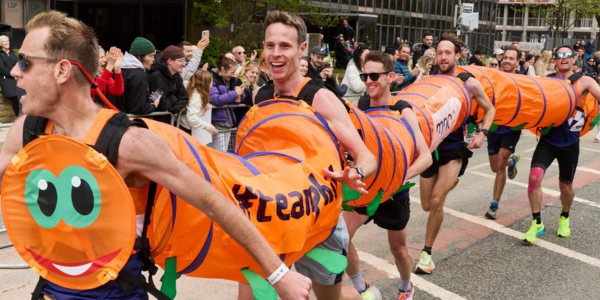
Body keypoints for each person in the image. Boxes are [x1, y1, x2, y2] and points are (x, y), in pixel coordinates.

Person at [2, 10, 312, 300]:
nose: (14, 71)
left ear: (61, 70)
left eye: (25, 62)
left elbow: (215, 202)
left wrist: (279, 274)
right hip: (50, 291)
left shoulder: (129, 142)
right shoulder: (26, 131)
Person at [238, 10, 377, 300]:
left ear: (302, 49)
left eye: (285, 46)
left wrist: (356, 172)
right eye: (270, 45)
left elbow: (366, 156)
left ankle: (368, 297)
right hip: (271, 214)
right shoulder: (259, 96)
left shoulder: (321, 98)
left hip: (317, 219)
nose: (275, 54)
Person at [343, 50, 432, 300]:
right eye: (364, 75)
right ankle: (362, 287)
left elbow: (424, 156)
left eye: (374, 75)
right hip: (364, 188)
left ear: (391, 76)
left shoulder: (402, 110)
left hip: (394, 191)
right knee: (340, 238)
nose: (368, 80)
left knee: (399, 249)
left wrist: (401, 176)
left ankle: (406, 286)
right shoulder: (358, 107)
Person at [415, 32, 495, 274]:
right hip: (431, 149)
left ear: (457, 55)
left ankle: (426, 255)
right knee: (427, 205)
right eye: (439, 52)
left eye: (447, 52)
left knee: (438, 201)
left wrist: (483, 134)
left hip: (453, 148)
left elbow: (489, 109)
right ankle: (450, 182)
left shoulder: (467, 82)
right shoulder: (430, 80)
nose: (442, 57)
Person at [523, 45, 600, 243]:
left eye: (567, 55)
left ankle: (564, 217)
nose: (564, 58)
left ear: (574, 59)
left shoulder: (584, 80)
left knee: (566, 187)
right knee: (534, 178)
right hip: (548, 140)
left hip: (570, 143)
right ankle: (536, 223)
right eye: (559, 56)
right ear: (555, 60)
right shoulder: (547, 80)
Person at [484, 45, 522, 220]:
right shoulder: (494, 77)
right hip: (494, 126)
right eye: (505, 57)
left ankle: (494, 205)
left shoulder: (524, 81)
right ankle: (512, 160)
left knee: (499, 166)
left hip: (512, 128)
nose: (507, 60)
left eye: (511, 58)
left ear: (517, 61)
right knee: (494, 167)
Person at [109, 37, 161, 114]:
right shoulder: (139, 75)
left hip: (112, 119)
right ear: (139, 56)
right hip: (127, 122)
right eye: (150, 56)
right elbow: (137, 108)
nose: (153, 59)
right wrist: (154, 105)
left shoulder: (118, 69)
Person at [208, 54, 243, 152]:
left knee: (224, 152)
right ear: (223, 69)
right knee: (218, 152)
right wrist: (234, 93)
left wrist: (239, 94)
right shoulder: (212, 80)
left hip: (228, 121)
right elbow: (216, 100)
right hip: (217, 122)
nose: (232, 75)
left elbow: (231, 99)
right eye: (231, 72)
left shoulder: (229, 80)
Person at [180, 69, 218, 144]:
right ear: (205, 84)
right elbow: (191, 118)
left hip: (184, 129)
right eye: (210, 83)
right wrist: (207, 126)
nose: (212, 85)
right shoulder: (196, 96)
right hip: (185, 130)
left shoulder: (191, 89)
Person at [148, 46, 188, 115]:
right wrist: (174, 98)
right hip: (156, 121)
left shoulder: (176, 75)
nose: (183, 64)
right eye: (180, 61)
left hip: (168, 118)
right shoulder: (156, 76)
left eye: (184, 61)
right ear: (170, 61)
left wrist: (173, 110)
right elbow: (161, 104)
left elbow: (184, 98)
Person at [234, 61, 259, 126]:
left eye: (256, 73)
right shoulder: (238, 82)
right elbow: (245, 99)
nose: (255, 75)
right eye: (252, 72)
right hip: (241, 118)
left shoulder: (254, 86)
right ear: (245, 71)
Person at [0, 35, 19, 116]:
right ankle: (18, 116)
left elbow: (18, 64)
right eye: (4, 41)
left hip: (17, 78)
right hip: (6, 79)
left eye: (7, 40)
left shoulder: (13, 53)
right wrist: (12, 74)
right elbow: (1, 68)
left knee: (21, 96)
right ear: (1, 43)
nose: (7, 43)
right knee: (15, 98)